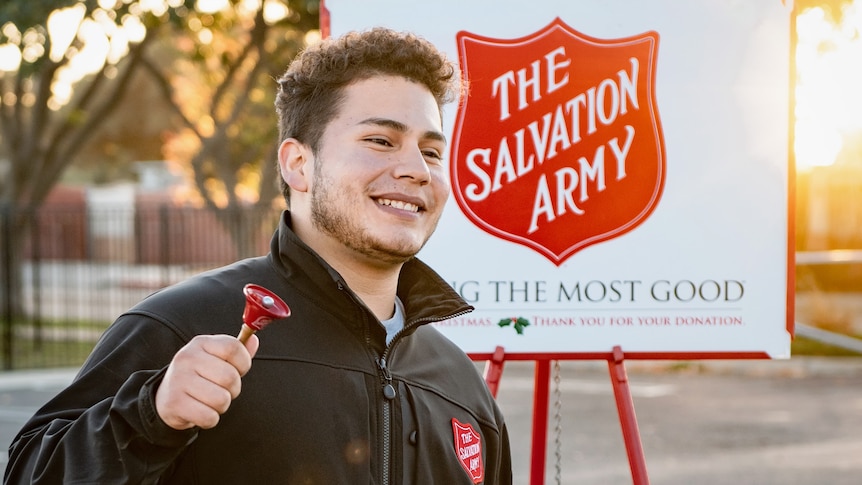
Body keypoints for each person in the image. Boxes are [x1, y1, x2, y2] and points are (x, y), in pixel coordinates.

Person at [4, 28, 512, 484]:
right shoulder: (181, 327)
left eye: (431, 151)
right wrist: (149, 417)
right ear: (297, 164)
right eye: (380, 140)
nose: (416, 169)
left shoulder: (462, 388)